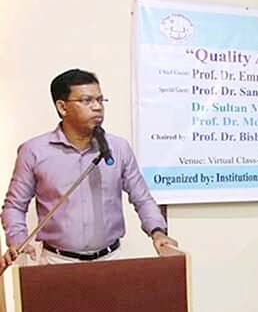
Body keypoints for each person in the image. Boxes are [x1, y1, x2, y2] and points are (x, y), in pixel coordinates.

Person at [1, 68, 177, 267]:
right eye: (86, 101)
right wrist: (18, 239)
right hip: (57, 261)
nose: (97, 107)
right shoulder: (34, 151)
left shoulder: (117, 148)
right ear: (62, 107)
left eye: (100, 100)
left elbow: (142, 198)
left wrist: (158, 232)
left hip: (111, 259)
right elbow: (14, 206)